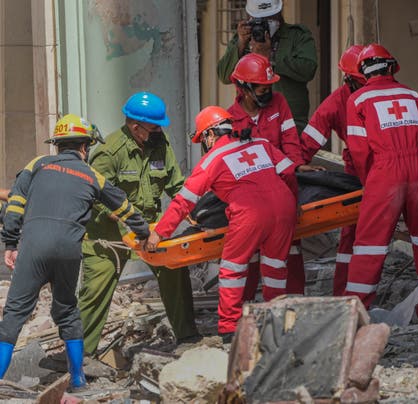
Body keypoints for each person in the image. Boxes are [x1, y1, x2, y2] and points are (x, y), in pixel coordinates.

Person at [0, 114, 150, 389]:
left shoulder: (36, 165)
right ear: (85, 147)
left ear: (57, 144)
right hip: (70, 249)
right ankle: (78, 380)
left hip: (33, 246)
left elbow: (15, 205)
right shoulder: (93, 175)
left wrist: (10, 243)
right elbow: (125, 207)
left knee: (14, 315)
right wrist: (145, 234)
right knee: (67, 311)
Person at [145, 106, 297, 339]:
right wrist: (293, 204)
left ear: (209, 135)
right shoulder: (260, 143)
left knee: (232, 269)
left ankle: (229, 329)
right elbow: (288, 171)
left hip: (250, 213)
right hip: (285, 207)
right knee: (275, 266)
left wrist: (159, 234)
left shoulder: (213, 159)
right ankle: (276, 323)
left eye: (201, 139)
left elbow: (183, 201)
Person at [78, 92, 199, 356]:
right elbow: (93, 195)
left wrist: (189, 207)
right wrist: (122, 224)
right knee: (96, 288)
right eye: (155, 127)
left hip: (149, 226)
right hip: (107, 231)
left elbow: (175, 183)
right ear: (136, 128)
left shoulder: (160, 143)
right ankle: (81, 358)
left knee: (173, 268)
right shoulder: (109, 153)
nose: (160, 131)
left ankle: (188, 338)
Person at [344, 44, 418, 320]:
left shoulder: (358, 100)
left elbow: (359, 151)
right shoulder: (412, 95)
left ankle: (354, 311)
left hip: (386, 171)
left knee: (370, 243)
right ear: (391, 67)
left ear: (364, 73)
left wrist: (370, 183)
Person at [228, 53, 321, 296]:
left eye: (269, 87)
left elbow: (290, 140)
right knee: (249, 253)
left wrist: (298, 166)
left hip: (282, 186)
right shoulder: (230, 121)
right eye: (261, 90)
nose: (267, 94)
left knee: (290, 250)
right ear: (244, 89)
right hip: (251, 196)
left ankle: (294, 301)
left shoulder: (279, 103)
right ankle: (245, 307)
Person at [299, 44, 365, 296]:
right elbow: (311, 137)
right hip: (358, 171)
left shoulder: (383, 91)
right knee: (351, 233)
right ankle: (344, 294)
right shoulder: (337, 103)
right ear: (349, 79)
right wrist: (297, 165)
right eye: (361, 79)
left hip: (390, 167)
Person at [217, 0, 318, 134]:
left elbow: (308, 70)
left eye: (269, 19)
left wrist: (270, 57)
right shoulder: (244, 39)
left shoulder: (297, 35)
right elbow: (224, 76)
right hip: (251, 123)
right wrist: (240, 45)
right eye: (258, 20)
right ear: (249, 18)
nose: (264, 24)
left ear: (279, 14)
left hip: (289, 122)